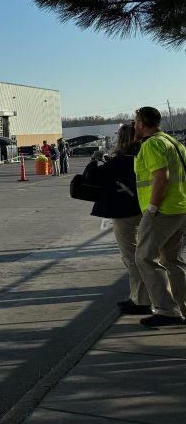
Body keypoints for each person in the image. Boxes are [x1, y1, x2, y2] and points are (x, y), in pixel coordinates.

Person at [83, 125, 149, 314]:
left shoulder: (121, 161)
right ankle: (141, 296)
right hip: (146, 209)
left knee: (131, 256)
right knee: (148, 256)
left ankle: (141, 300)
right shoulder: (144, 157)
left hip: (125, 212)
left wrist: (94, 161)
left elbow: (92, 177)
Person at [132, 106, 186, 327]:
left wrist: (152, 209)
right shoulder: (174, 143)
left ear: (142, 123)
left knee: (143, 257)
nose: (134, 125)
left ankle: (166, 310)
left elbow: (160, 179)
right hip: (180, 207)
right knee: (172, 260)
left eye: (136, 121)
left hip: (162, 211)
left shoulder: (153, 144)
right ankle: (182, 306)